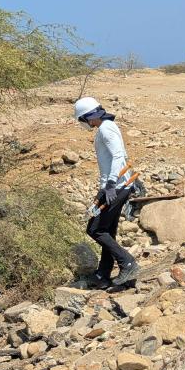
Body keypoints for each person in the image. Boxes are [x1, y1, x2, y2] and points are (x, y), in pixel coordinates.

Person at [73, 97, 140, 288]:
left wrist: (110, 184)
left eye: (82, 119)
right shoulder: (108, 126)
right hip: (115, 186)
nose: (84, 124)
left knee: (95, 229)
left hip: (115, 187)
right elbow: (119, 156)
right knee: (107, 230)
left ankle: (128, 263)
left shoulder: (105, 128)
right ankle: (103, 274)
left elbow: (119, 155)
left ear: (89, 117)